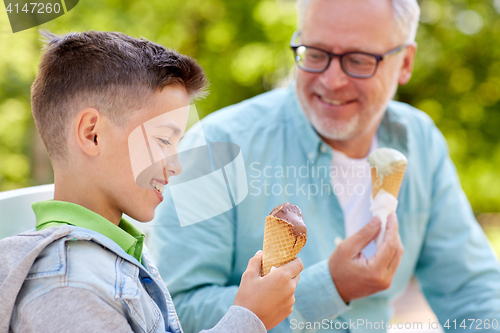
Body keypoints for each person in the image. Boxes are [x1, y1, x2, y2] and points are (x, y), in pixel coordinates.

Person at [149, 0, 500, 332]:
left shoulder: (420, 141)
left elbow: (470, 290)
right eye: (315, 54)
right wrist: (330, 287)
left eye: (360, 60)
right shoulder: (214, 147)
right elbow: (176, 310)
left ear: (405, 62)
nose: (332, 81)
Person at [0, 31, 304, 333]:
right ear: (92, 133)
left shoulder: (117, 254)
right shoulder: (67, 287)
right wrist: (249, 319)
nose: (176, 165)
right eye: (163, 140)